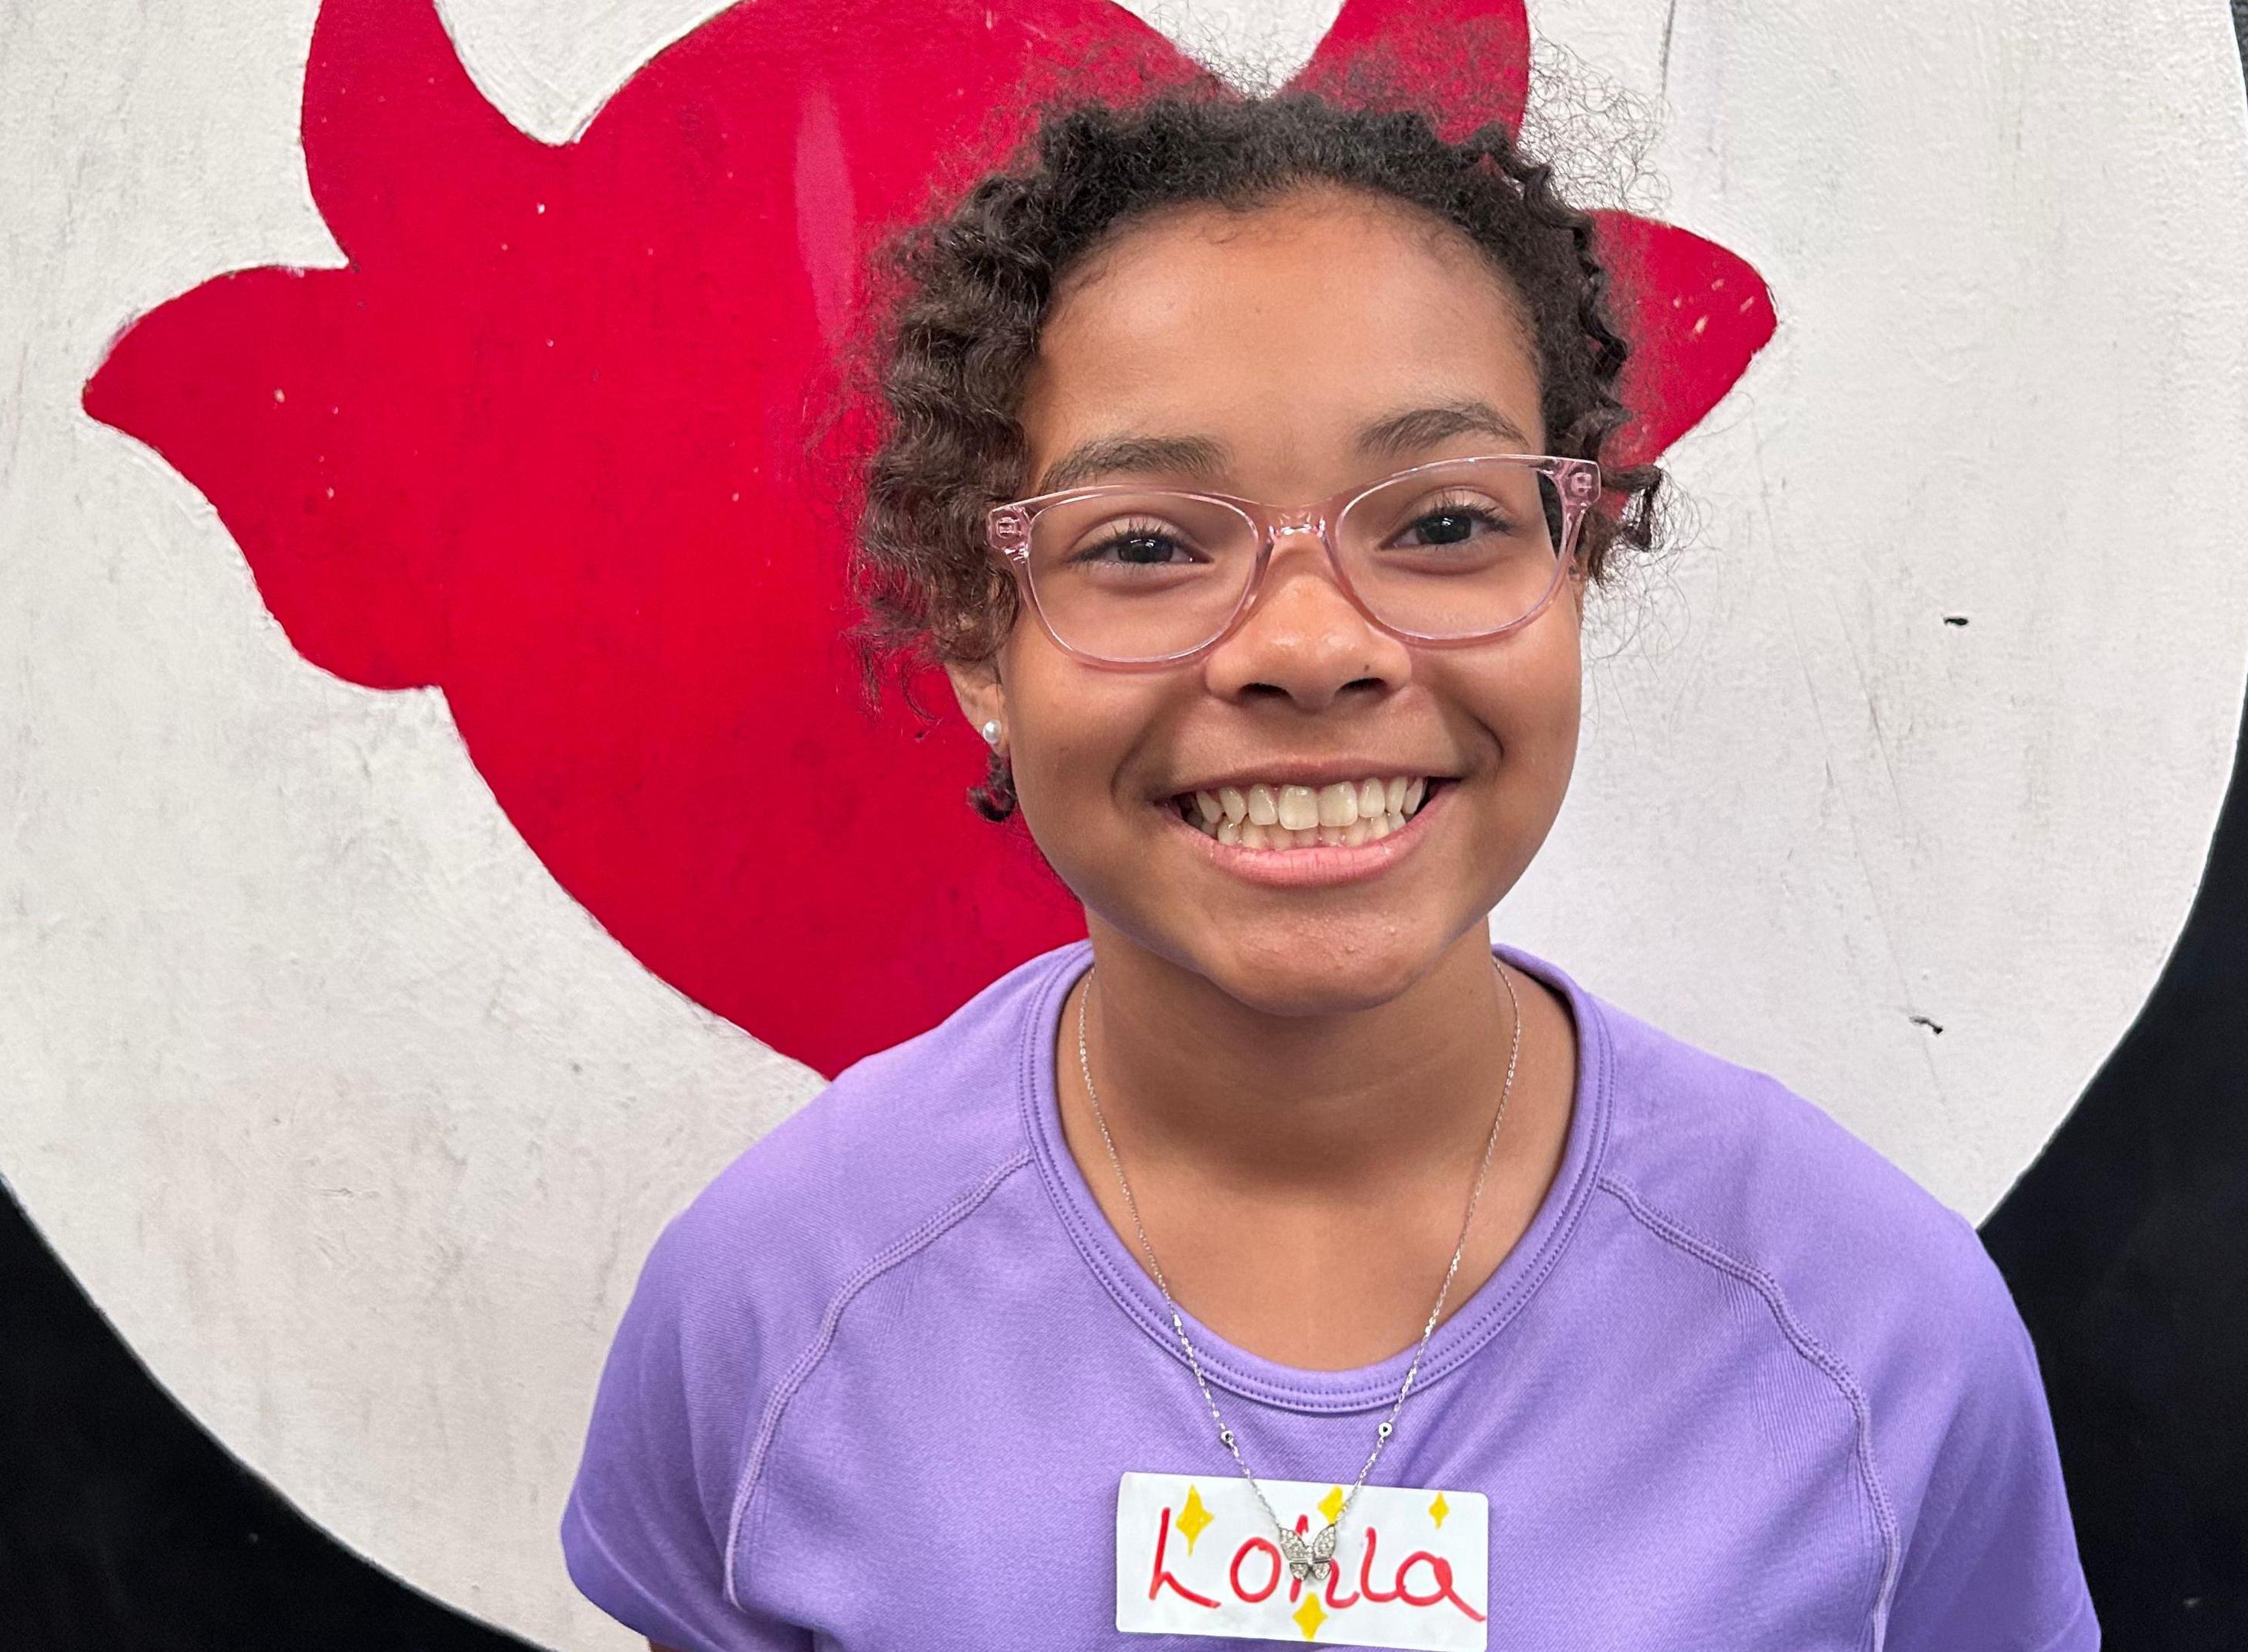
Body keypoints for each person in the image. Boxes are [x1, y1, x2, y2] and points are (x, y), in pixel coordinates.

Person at [562, 90, 2098, 1651]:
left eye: (1442, 521)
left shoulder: (1872, 1338)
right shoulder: (773, 1306)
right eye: (1149, 545)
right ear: (979, 637)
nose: (1310, 646)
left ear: (1573, 573)